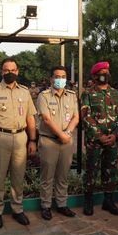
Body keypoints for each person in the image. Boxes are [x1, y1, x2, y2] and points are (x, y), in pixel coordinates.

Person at [0, 57, 37, 228]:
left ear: (17, 71)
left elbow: (30, 117)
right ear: (1, 72)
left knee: (18, 176)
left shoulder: (25, 92)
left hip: (21, 137)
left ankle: (17, 209)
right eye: (6, 70)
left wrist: (32, 139)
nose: (10, 72)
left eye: (13, 70)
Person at [81, 61, 118, 216]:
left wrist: (115, 135)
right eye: (101, 72)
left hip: (113, 141)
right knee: (91, 171)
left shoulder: (117, 94)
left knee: (110, 171)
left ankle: (108, 201)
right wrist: (100, 136)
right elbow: (85, 116)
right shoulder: (87, 94)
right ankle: (88, 201)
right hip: (95, 141)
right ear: (94, 76)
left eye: (106, 72)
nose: (105, 75)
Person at [36, 66, 79, 220]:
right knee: (47, 175)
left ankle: (62, 204)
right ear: (51, 79)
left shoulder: (72, 95)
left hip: (66, 141)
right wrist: (61, 134)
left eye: (63, 76)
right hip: (49, 141)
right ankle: (46, 206)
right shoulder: (44, 96)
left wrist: (67, 134)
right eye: (56, 76)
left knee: (63, 175)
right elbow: (46, 118)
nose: (60, 79)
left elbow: (76, 117)